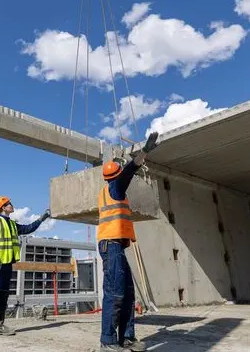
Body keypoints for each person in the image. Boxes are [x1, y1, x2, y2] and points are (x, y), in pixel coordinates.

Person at [97, 132, 159, 352]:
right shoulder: (115, 188)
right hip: (111, 245)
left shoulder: (111, 190)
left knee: (128, 293)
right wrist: (144, 153)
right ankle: (108, 341)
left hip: (116, 246)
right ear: (116, 174)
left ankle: (127, 337)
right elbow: (130, 172)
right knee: (115, 293)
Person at [0, 196, 51, 337]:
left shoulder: (12, 224)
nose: (11, 205)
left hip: (7, 265)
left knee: (3, 296)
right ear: (3, 207)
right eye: (9, 204)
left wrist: (42, 218)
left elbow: (28, 228)